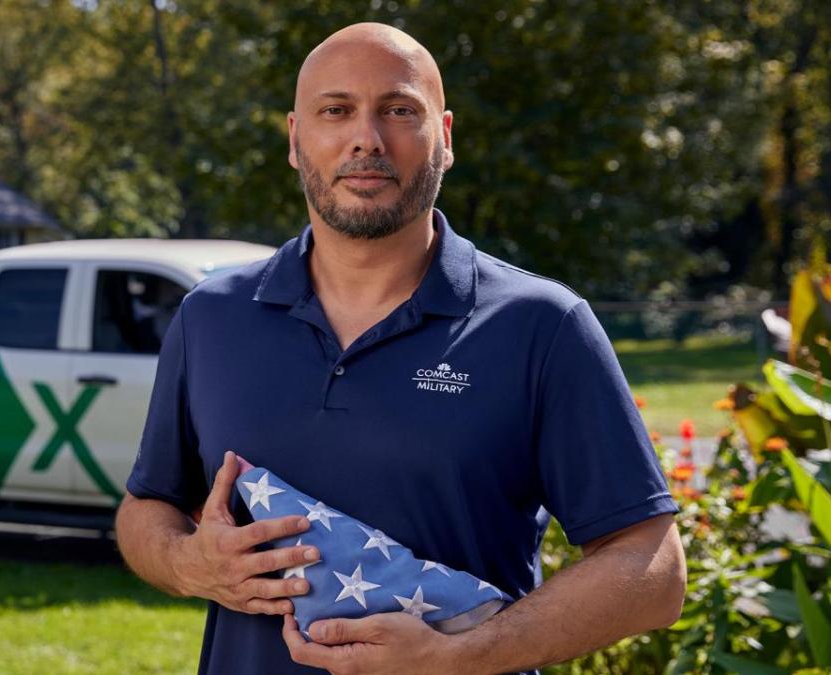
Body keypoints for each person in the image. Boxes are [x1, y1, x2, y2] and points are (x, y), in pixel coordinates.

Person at [116, 22, 686, 675]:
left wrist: (459, 655)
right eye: (337, 110)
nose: (367, 137)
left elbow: (653, 569)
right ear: (296, 140)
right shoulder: (211, 317)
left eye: (398, 110)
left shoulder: (543, 325)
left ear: (444, 137)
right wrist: (187, 563)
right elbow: (146, 508)